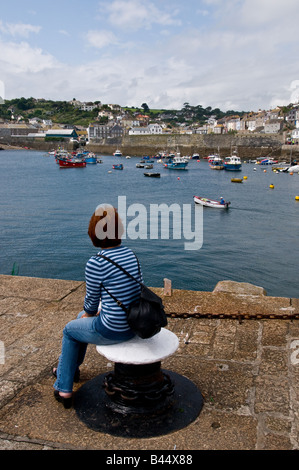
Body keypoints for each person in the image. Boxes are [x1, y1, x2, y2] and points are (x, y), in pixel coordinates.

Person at [53, 204, 142, 408]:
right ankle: (68, 369)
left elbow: (91, 303)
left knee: (70, 330)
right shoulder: (131, 255)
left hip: (112, 329)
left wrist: (91, 313)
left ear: (94, 233)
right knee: (79, 320)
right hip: (133, 324)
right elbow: (135, 293)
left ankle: (63, 387)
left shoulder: (96, 262)